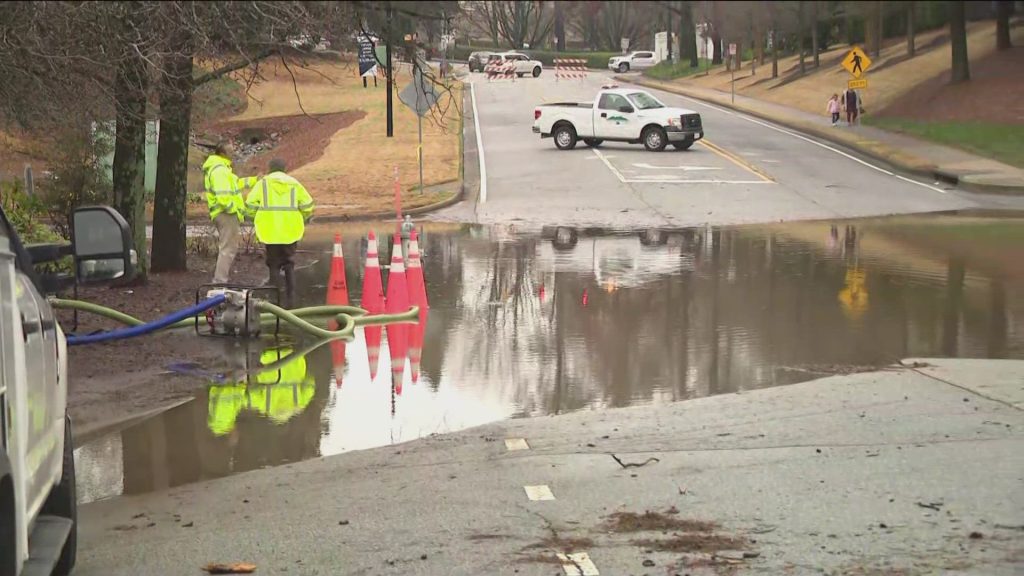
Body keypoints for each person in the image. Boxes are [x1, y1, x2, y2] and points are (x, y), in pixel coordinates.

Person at [245, 158, 314, 308]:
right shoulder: (294, 183)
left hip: (269, 230)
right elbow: (308, 205)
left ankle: (275, 299)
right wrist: (302, 217)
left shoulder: (263, 183)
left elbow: (250, 204)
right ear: (284, 168)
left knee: (273, 263)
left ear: (270, 168)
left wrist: (254, 216)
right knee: (289, 262)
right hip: (290, 229)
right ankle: (291, 296)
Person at [203, 142, 258, 284]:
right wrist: (235, 209)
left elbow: (236, 184)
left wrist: (254, 181)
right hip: (226, 214)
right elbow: (223, 197)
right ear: (222, 153)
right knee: (227, 249)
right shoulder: (220, 170)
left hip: (225, 213)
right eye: (231, 150)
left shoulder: (222, 169)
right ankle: (220, 281)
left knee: (227, 248)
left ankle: (221, 280)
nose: (233, 153)